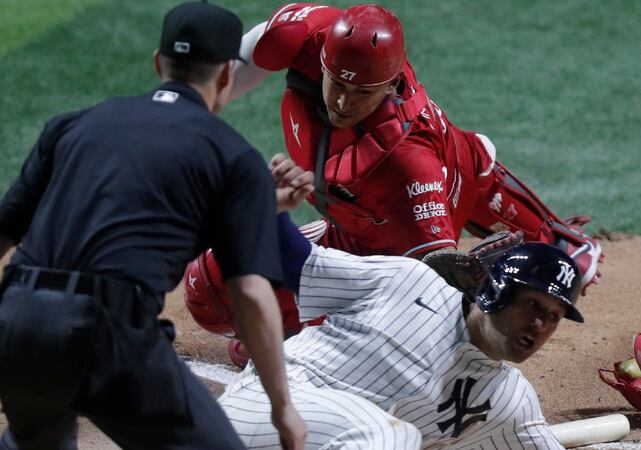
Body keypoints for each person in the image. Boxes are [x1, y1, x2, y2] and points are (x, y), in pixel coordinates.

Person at [193, 3, 604, 366]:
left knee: (405, 335)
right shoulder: (313, 35)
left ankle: (561, 246)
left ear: (390, 87)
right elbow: (241, 63)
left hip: (408, 228)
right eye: (337, 83)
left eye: (362, 93)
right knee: (208, 288)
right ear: (323, 59)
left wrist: (472, 290)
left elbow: (435, 277)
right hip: (357, 224)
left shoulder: (408, 163)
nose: (342, 103)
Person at [0, 2, 308, 448]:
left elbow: (6, 231)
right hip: (110, 336)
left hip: (19, 323)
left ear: (159, 63)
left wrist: (259, 208)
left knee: (34, 441)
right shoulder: (231, 154)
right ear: (226, 75)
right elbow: (251, 292)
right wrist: (283, 409)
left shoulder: (71, 125)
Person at [218, 211, 582, 449]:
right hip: (263, 408)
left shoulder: (510, 401)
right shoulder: (408, 281)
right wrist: (267, 202)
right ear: (495, 289)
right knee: (391, 436)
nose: (540, 325)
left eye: (553, 316)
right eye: (533, 305)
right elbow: (299, 263)